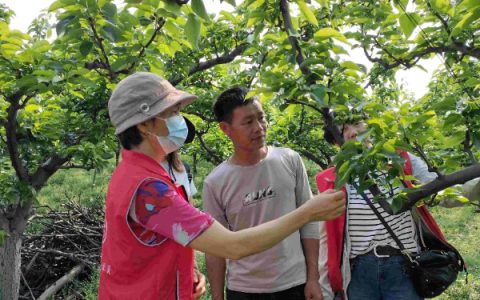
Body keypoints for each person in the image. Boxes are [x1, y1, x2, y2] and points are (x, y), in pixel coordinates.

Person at [98, 72, 346, 300]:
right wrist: (309, 212)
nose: (180, 120)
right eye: (172, 112)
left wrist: (186, 270)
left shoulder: (134, 174)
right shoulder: (148, 188)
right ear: (144, 124)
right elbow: (232, 246)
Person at [315, 120, 466, 300]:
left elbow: (444, 193)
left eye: (356, 124)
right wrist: (324, 285)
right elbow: (326, 237)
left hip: (403, 268)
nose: (353, 132)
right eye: (343, 130)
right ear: (335, 141)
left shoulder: (400, 160)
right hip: (359, 272)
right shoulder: (332, 180)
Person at [203, 87, 324, 300]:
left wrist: (313, 278)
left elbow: (309, 221)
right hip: (244, 290)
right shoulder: (215, 182)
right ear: (225, 128)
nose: (259, 128)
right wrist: (217, 296)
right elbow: (215, 247)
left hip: (294, 283)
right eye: (248, 122)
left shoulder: (290, 160)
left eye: (261, 118)